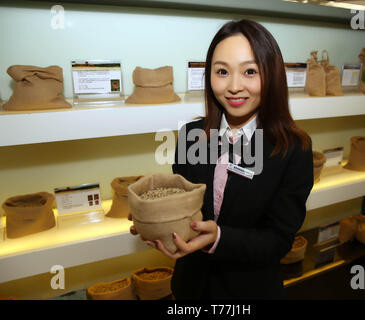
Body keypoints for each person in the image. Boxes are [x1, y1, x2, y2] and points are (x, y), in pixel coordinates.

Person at [129, 19, 313, 299]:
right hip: (190, 288)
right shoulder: (192, 134)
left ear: (271, 76)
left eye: (250, 71)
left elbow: (278, 240)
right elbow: (186, 206)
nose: (234, 86)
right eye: (222, 72)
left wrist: (219, 238)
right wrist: (158, 217)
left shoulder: (293, 149)